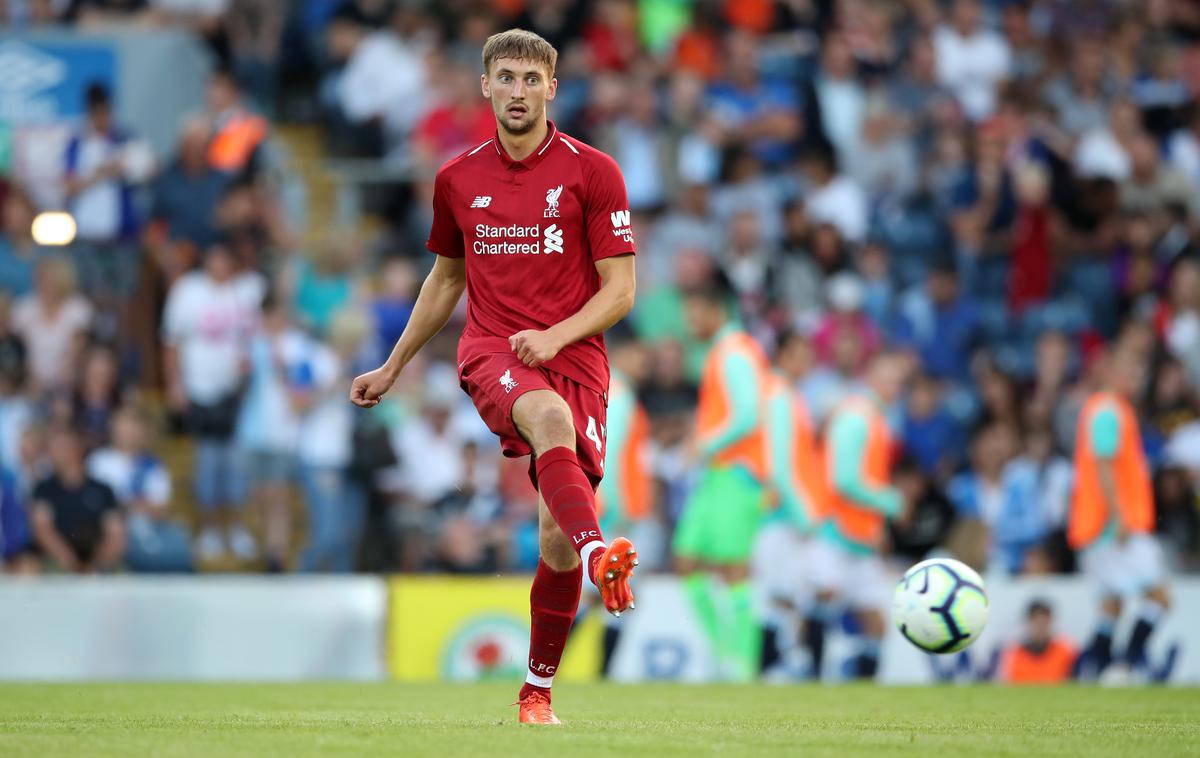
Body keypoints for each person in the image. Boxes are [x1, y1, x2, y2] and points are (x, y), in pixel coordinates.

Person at [349, 29, 638, 725]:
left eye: (530, 80)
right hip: (494, 349)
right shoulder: (458, 179)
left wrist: (558, 336)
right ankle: (604, 553)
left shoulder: (594, 172)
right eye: (505, 78)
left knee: (552, 538)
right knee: (548, 421)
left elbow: (621, 290)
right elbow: (446, 280)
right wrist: (394, 365)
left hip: (573, 356)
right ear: (485, 86)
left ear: (551, 89)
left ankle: (536, 693)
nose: (517, 91)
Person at [672, 275, 771, 682]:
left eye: (694, 313)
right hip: (719, 474)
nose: (689, 322)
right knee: (687, 559)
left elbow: (748, 415)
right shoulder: (724, 351)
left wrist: (705, 444)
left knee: (733, 568)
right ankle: (725, 650)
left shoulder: (733, 352)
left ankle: (741, 664)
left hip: (736, 473)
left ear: (716, 311)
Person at [807, 350, 912, 679]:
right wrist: (891, 502)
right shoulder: (856, 417)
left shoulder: (873, 417)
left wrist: (877, 525)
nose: (893, 388)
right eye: (887, 381)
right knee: (823, 600)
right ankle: (806, 675)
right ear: (871, 379)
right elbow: (844, 479)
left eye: (898, 383)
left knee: (874, 623)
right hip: (836, 530)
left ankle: (860, 689)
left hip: (860, 535)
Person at [1071, 350, 1171, 681]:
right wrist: (1119, 516)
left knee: (1111, 605)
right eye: (1130, 369)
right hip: (1113, 525)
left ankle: (1097, 670)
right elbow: (1104, 464)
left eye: (1140, 370)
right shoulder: (1108, 410)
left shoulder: (1105, 409)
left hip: (1094, 525)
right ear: (1110, 373)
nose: (1137, 378)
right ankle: (1124, 665)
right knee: (1160, 598)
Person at [29, 425, 125, 573]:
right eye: (53, 448)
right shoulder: (44, 490)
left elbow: (115, 532)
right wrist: (71, 563)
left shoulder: (102, 489)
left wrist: (98, 564)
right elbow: (43, 531)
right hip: (59, 562)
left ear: (77, 450)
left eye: (61, 447)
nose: (54, 453)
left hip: (99, 562)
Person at [998, 599, 1078, 684]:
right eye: (1036, 621)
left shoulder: (1065, 651)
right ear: (1028, 622)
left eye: (1044, 621)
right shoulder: (1013, 653)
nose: (1040, 627)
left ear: (1051, 621)